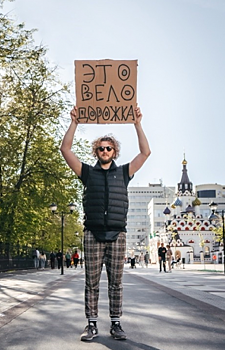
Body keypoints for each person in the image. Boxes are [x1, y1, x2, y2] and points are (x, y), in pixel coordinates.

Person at [61, 105, 150, 342]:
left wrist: (137, 123)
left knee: (116, 283)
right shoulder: (87, 173)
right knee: (91, 283)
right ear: (96, 151)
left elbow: (145, 153)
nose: (104, 150)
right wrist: (74, 122)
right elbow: (65, 149)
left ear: (115, 151)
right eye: (100, 148)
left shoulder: (124, 173)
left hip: (118, 234)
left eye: (109, 147)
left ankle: (116, 324)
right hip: (92, 234)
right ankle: (91, 324)